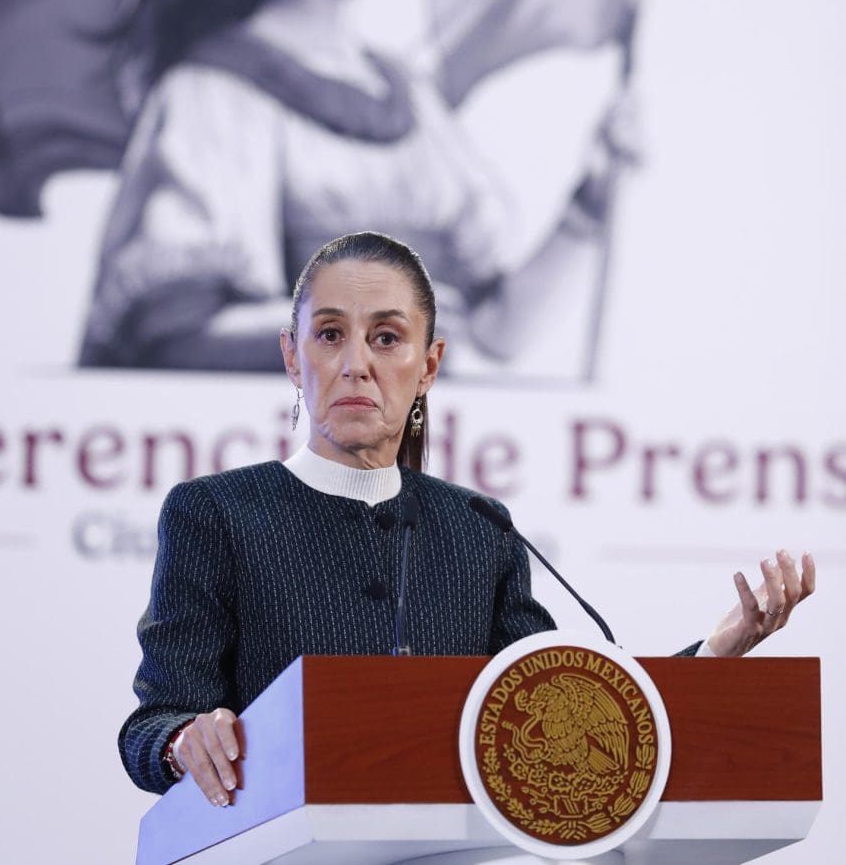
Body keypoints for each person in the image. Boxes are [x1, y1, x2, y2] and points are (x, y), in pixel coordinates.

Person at [118, 231, 816, 806]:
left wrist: (719, 652)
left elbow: (570, 705)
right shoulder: (215, 513)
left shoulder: (477, 528)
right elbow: (151, 727)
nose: (356, 363)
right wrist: (185, 741)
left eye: (387, 339)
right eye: (329, 335)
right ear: (292, 358)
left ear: (429, 366)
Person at [79, 0, 631, 375]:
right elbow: (178, 336)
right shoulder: (214, 94)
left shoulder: (410, 100)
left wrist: (589, 204)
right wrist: (383, 335)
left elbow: (495, 334)